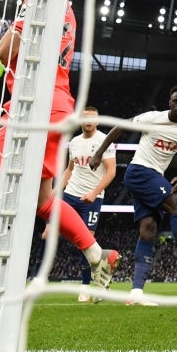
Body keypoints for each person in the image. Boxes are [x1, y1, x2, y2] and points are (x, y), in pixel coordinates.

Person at [0, 0, 119, 317]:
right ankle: (97, 255)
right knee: (43, 198)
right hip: (58, 103)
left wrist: (15, 27)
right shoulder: (68, 9)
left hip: (32, 104)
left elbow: (1, 53)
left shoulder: (38, 1)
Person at [89, 84, 177, 306]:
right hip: (139, 171)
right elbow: (120, 127)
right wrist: (99, 153)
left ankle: (136, 293)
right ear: (169, 102)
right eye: (175, 100)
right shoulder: (152, 117)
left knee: (148, 231)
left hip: (154, 175)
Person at [58, 106, 117, 302]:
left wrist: (94, 192)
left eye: (92, 118)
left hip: (91, 198)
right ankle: (104, 263)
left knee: (85, 241)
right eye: (85, 118)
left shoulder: (104, 140)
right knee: (59, 232)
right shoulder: (74, 142)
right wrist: (56, 191)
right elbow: (69, 169)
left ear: (98, 121)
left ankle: (85, 287)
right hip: (70, 194)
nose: (88, 121)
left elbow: (111, 171)